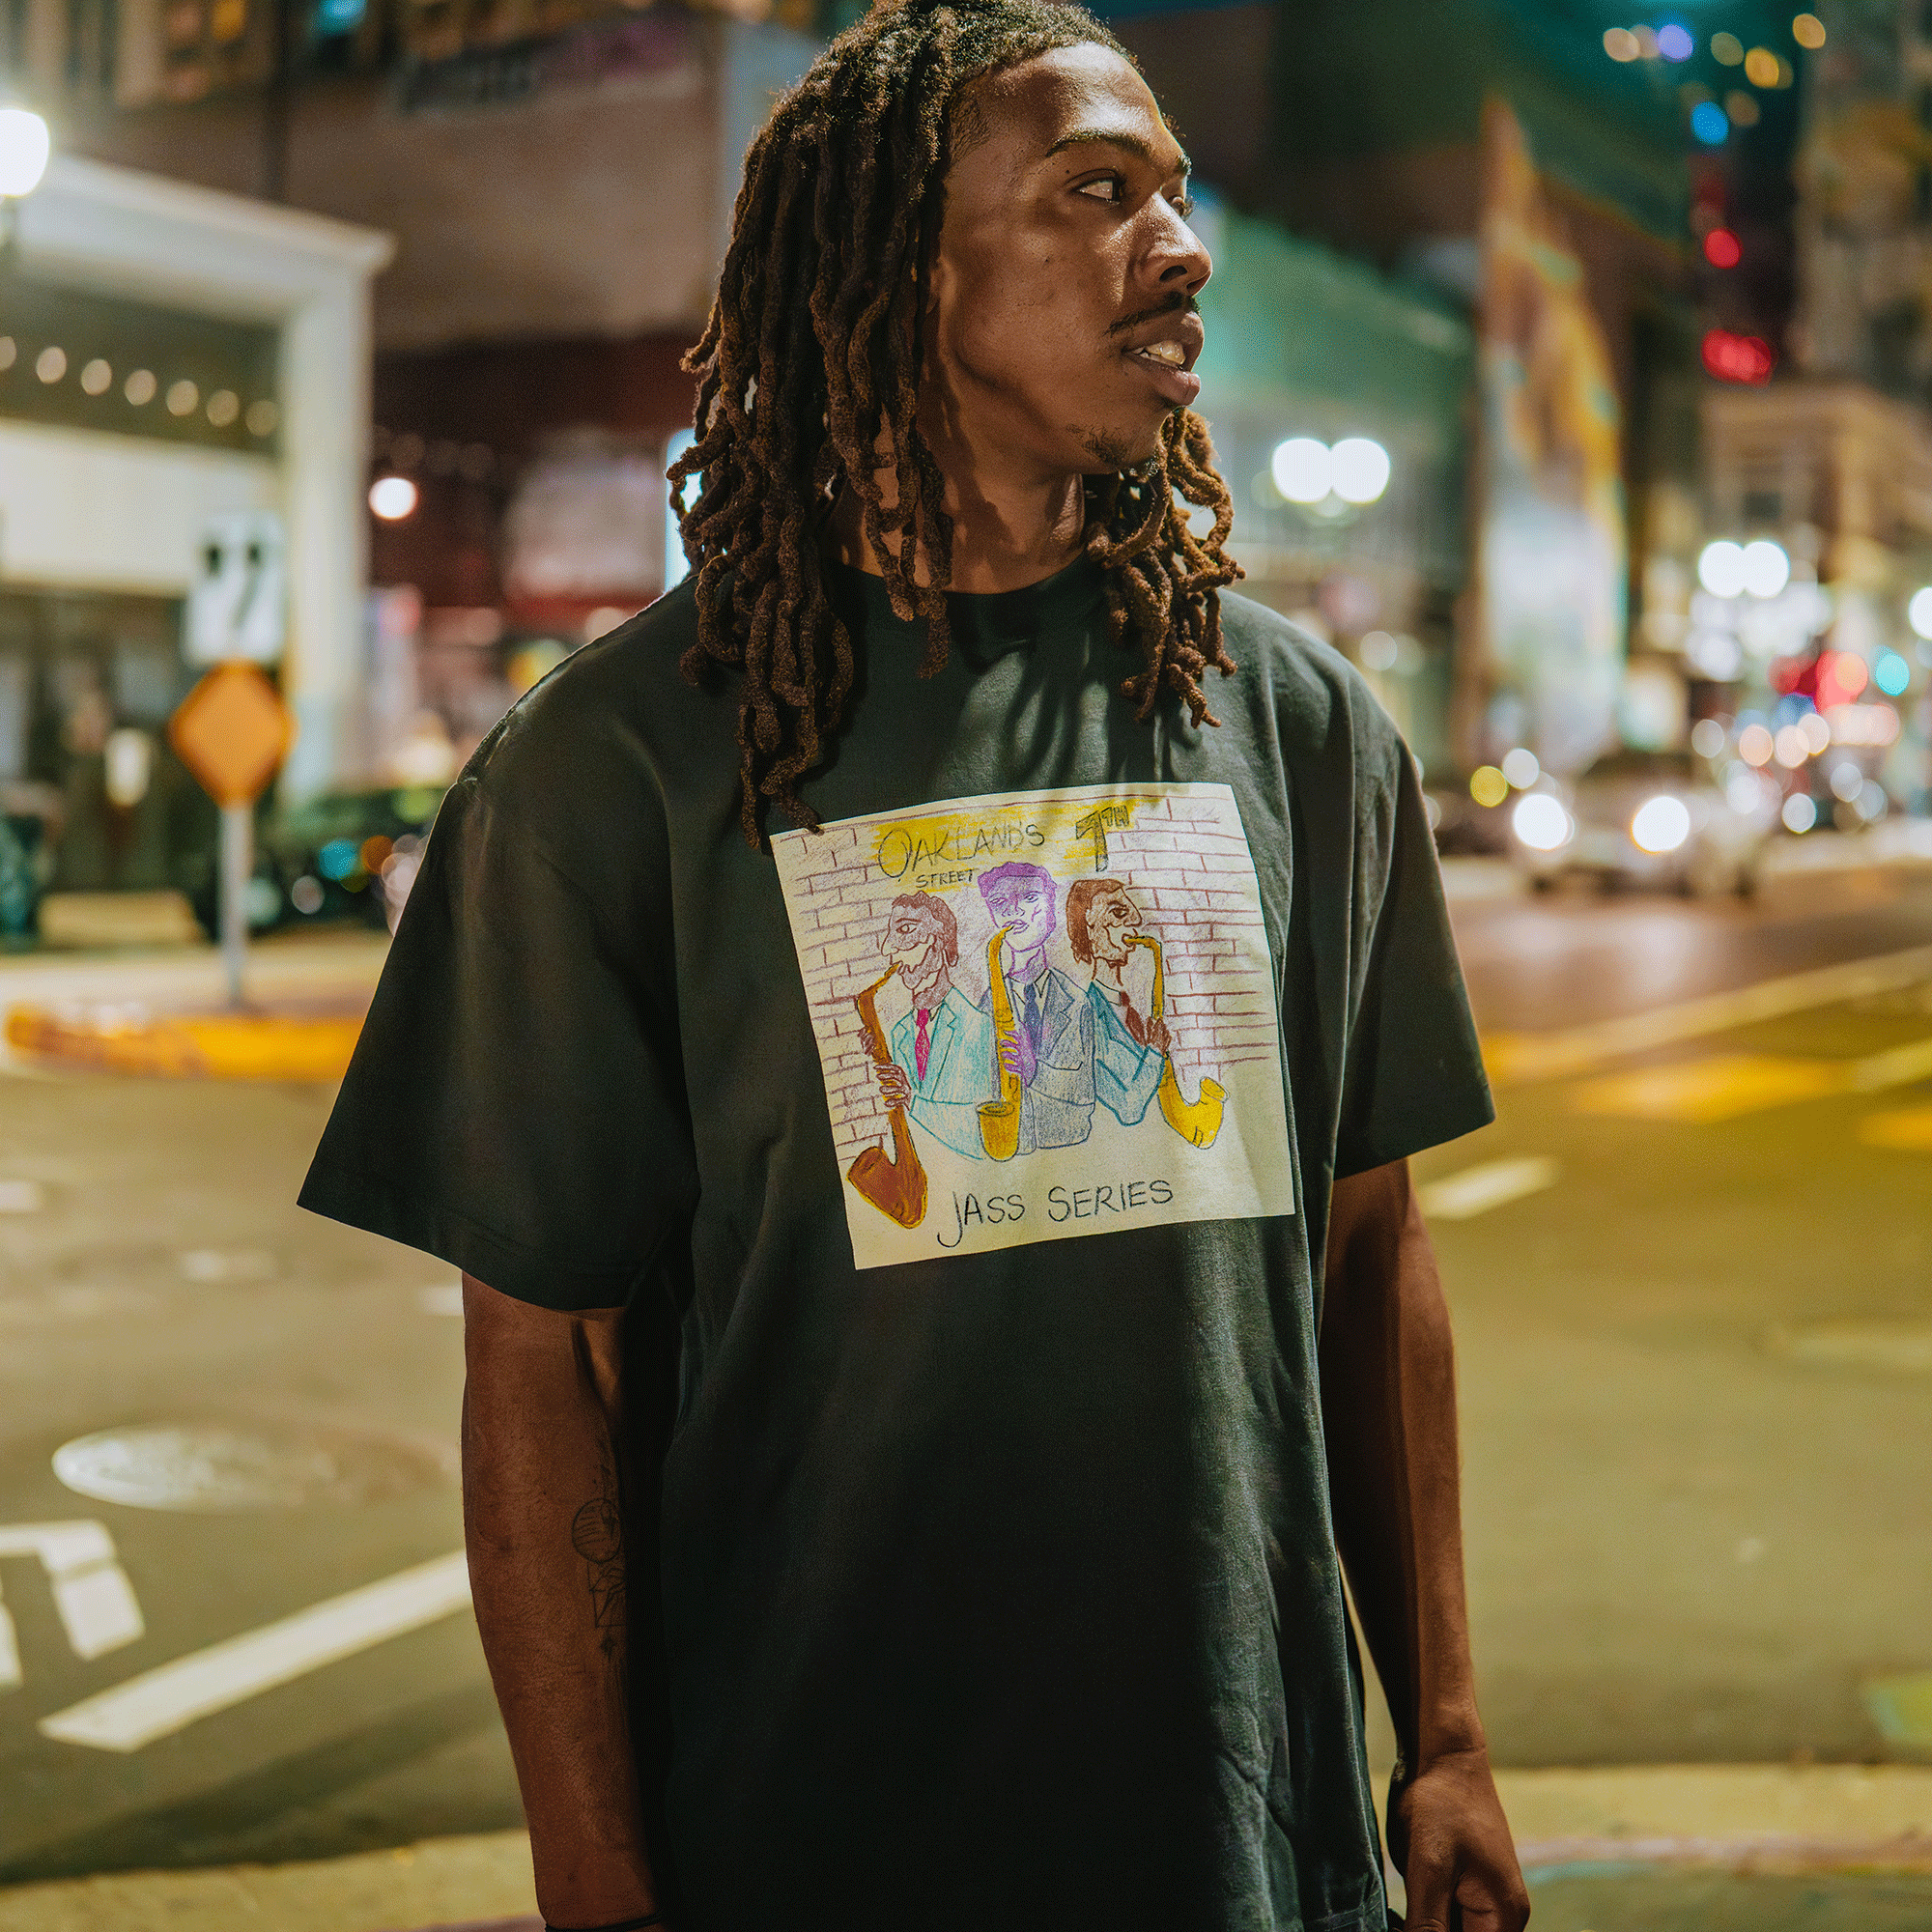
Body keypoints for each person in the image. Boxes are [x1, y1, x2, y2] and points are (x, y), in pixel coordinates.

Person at [299, 1, 1530, 1927]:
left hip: (1249, 1851)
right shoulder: (608, 772)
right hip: (800, 1842)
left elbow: (1373, 1252)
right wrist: (598, 1883)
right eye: (1096, 194)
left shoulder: (1300, 729)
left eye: (1176, 195)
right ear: (900, 265)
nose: (1180, 250)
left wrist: (1441, 1735)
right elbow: (544, 1363)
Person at [976, 859, 1096, 1152]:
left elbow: (1085, 1095)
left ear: (1051, 911)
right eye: (999, 902)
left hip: (1068, 1149)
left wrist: (1034, 1071)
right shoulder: (986, 1006)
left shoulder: (1077, 1001)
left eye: (1030, 897)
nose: (1013, 911)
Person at [872, 889, 994, 1158]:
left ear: (938, 942)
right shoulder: (899, 1033)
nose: (888, 948)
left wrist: (912, 1100)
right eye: (890, 934)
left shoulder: (978, 1026)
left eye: (905, 929)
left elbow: (981, 1133)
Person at [1065, 873, 1168, 1127]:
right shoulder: (1086, 1016)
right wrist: (1155, 1052)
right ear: (1090, 927)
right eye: (1118, 914)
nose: (1135, 922)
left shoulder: (1128, 1009)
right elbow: (1128, 1109)